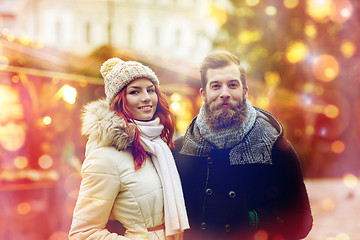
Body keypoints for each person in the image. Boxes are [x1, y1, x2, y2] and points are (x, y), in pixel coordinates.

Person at [172, 51, 313, 240]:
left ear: (245, 91)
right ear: (203, 94)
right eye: (216, 86)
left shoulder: (276, 147)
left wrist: (252, 219)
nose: (224, 93)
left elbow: (302, 221)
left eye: (232, 85)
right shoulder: (180, 150)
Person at [69, 58, 189, 240]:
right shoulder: (105, 157)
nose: (146, 97)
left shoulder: (159, 147)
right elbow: (83, 233)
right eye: (135, 91)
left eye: (150, 90)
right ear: (119, 101)